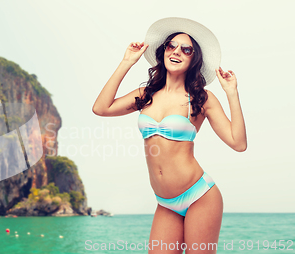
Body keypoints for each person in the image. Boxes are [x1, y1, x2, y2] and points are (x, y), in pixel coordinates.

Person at [92, 17, 247, 253]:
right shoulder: (146, 94)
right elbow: (101, 108)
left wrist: (232, 93)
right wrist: (126, 62)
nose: (177, 52)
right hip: (165, 203)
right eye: (171, 46)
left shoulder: (201, 98)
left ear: (194, 59)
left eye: (186, 50)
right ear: (163, 51)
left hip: (200, 196)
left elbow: (238, 143)